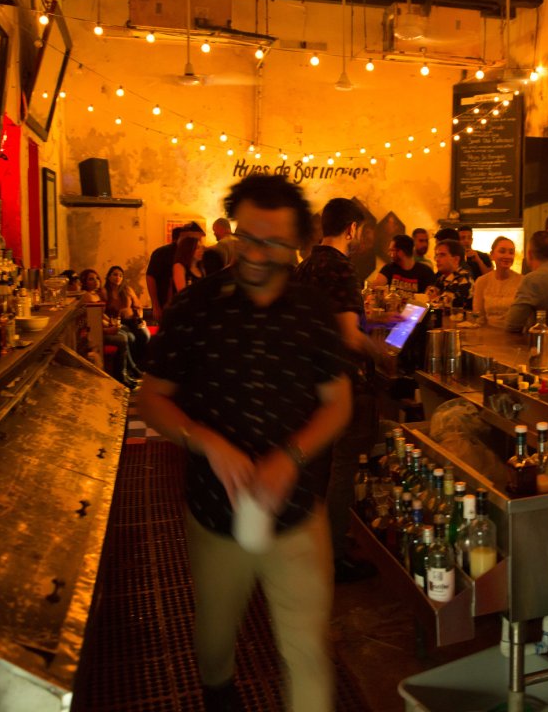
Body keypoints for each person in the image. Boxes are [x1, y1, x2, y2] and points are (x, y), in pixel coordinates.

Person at [138, 174, 351, 712]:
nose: (258, 254)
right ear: (234, 230)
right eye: (250, 238)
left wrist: (291, 457)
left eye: (275, 242)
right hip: (215, 512)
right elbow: (152, 398)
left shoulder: (312, 312)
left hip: (296, 512)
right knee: (213, 640)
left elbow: (338, 404)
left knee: (305, 651)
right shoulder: (196, 308)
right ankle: (218, 692)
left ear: (295, 245)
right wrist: (206, 441)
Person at [293, 197, 380, 584]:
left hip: (306, 380)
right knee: (342, 469)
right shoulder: (341, 268)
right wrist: (384, 353)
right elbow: (349, 335)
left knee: (316, 469)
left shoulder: (307, 265)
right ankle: (334, 556)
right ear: (352, 229)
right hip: (336, 382)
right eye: (360, 230)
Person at [81, 267, 141, 389]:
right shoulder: (87, 296)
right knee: (123, 338)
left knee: (127, 331)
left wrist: (110, 323)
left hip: (103, 326)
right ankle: (122, 375)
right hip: (95, 333)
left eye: (97, 278)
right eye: (91, 279)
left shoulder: (96, 294)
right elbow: (92, 321)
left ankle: (128, 371)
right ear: (84, 282)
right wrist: (108, 328)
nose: (96, 281)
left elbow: (101, 315)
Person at [146, 222, 205, 321]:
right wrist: (155, 305)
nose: (199, 244)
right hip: (168, 302)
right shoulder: (163, 253)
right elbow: (151, 277)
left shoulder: (198, 261)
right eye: (197, 240)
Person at [104, 264, 150, 368]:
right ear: (109, 276)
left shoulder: (127, 289)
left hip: (133, 320)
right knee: (131, 338)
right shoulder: (105, 292)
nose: (118, 277)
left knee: (145, 335)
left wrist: (141, 319)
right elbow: (102, 312)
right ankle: (132, 366)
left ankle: (142, 364)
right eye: (115, 275)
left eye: (120, 275)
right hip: (118, 323)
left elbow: (138, 306)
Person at [472, 236, 523, 328]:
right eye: (502, 251)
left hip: (515, 335)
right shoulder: (482, 282)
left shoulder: (523, 281)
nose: (507, 256)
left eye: (511, 252)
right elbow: (478, 317)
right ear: (492, 255)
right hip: (487, 336)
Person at [371, 233, 435, 295]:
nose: (389, 254)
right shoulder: (389, 268)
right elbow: (376, 287)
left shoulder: (426, 272)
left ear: (401, 252)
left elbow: (429, 297)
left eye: (392, 250)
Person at [431, 238, 474, 311]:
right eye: (437, 255)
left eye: (442, 255)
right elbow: (428, 296)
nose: (437, 259)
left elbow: (443, 305)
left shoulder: (463, 279)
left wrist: (432, 299)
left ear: (456, 259)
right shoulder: (442, 278)